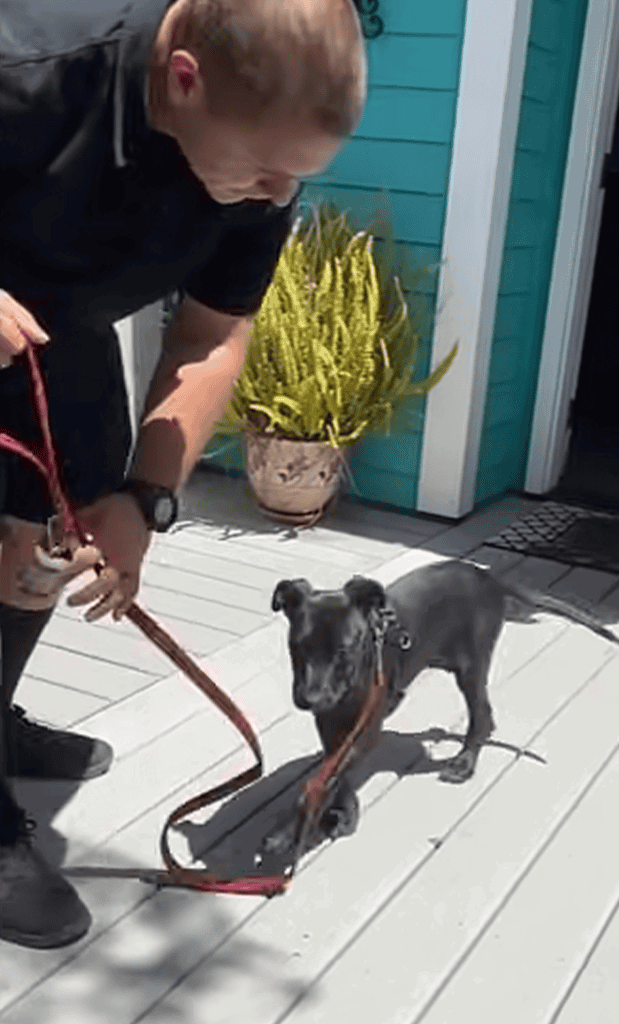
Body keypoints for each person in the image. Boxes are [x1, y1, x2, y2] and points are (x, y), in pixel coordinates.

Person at [0, 0, 366, 949]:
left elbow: (210, 333)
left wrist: (145, 499)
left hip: (59, 327)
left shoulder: (265, 173)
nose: (280, 195)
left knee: (57, 533)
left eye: (299, 174)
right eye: (264, 168)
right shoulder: (31, 65)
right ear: (186, 77)